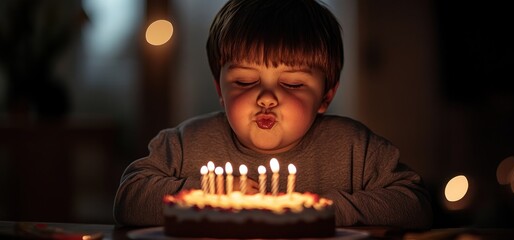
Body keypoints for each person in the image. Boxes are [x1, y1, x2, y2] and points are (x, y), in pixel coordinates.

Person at [113, 0, 432, 229]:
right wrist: (209, 193)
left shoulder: (354, 149)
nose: (266, 97)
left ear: (325, 96)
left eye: (292, 83)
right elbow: (129, 199)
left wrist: (326, 211)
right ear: (220, 89)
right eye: (245, 81)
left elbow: (414, 204)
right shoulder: (186, 144)